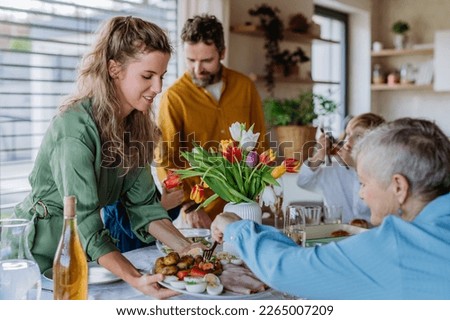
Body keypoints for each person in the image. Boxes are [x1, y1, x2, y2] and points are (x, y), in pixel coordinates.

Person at [14, 16, 201, 299]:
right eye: (147, 76)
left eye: (161, 76)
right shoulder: (74, 129)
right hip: (38, 258)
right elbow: (84, 221)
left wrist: (188, 249)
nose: (158, 88)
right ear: (114, 69)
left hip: (82, 258)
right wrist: (137, 279)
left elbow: (145, 208)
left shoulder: (135, 128)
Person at [211, 118, 450, 299]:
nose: (361, 193)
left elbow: (286, 269)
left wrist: (235, 226)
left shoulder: (397, 246)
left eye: (364, 183)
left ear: (399, 186)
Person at [155, 14, 267, 229]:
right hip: (198, 211)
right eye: (191, 60)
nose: (198, 69)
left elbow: (260, 142)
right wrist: (188, 206)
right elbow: (166, 158)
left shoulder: (245, 87)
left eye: (207, 60)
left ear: (222, 53)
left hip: (244, 206)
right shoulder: (174, 97)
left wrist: (261, 194)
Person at [297, 113, 385, 224]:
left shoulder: (383, 175)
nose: (348, 142)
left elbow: (364, 209)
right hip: (336, 235)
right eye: (348, 135)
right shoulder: (333, 171)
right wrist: (319, 155)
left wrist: (356, 166)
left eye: (358, 136)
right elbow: (303, 181)